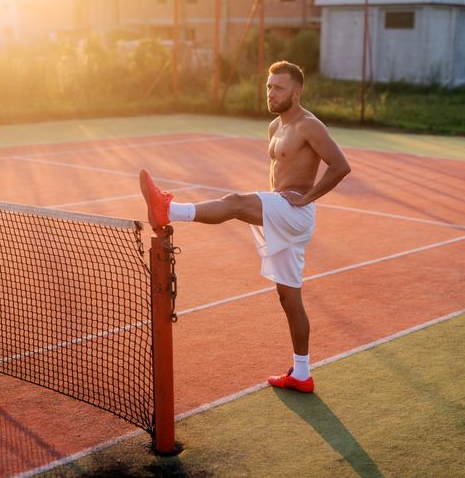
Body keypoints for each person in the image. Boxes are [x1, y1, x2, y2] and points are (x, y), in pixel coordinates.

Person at [139, 61, 351, 393]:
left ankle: (168, 210)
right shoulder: (274, 127)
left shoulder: (309, 125)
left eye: (279, 88)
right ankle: (302, 374)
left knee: (236, 202)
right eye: (268, 86)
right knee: (289, 298)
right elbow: (280, 172)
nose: (271, 92)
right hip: (282, 209)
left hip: (295, 211)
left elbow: (341, 166)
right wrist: (275, 202)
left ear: (296, 92)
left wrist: (308, 197)